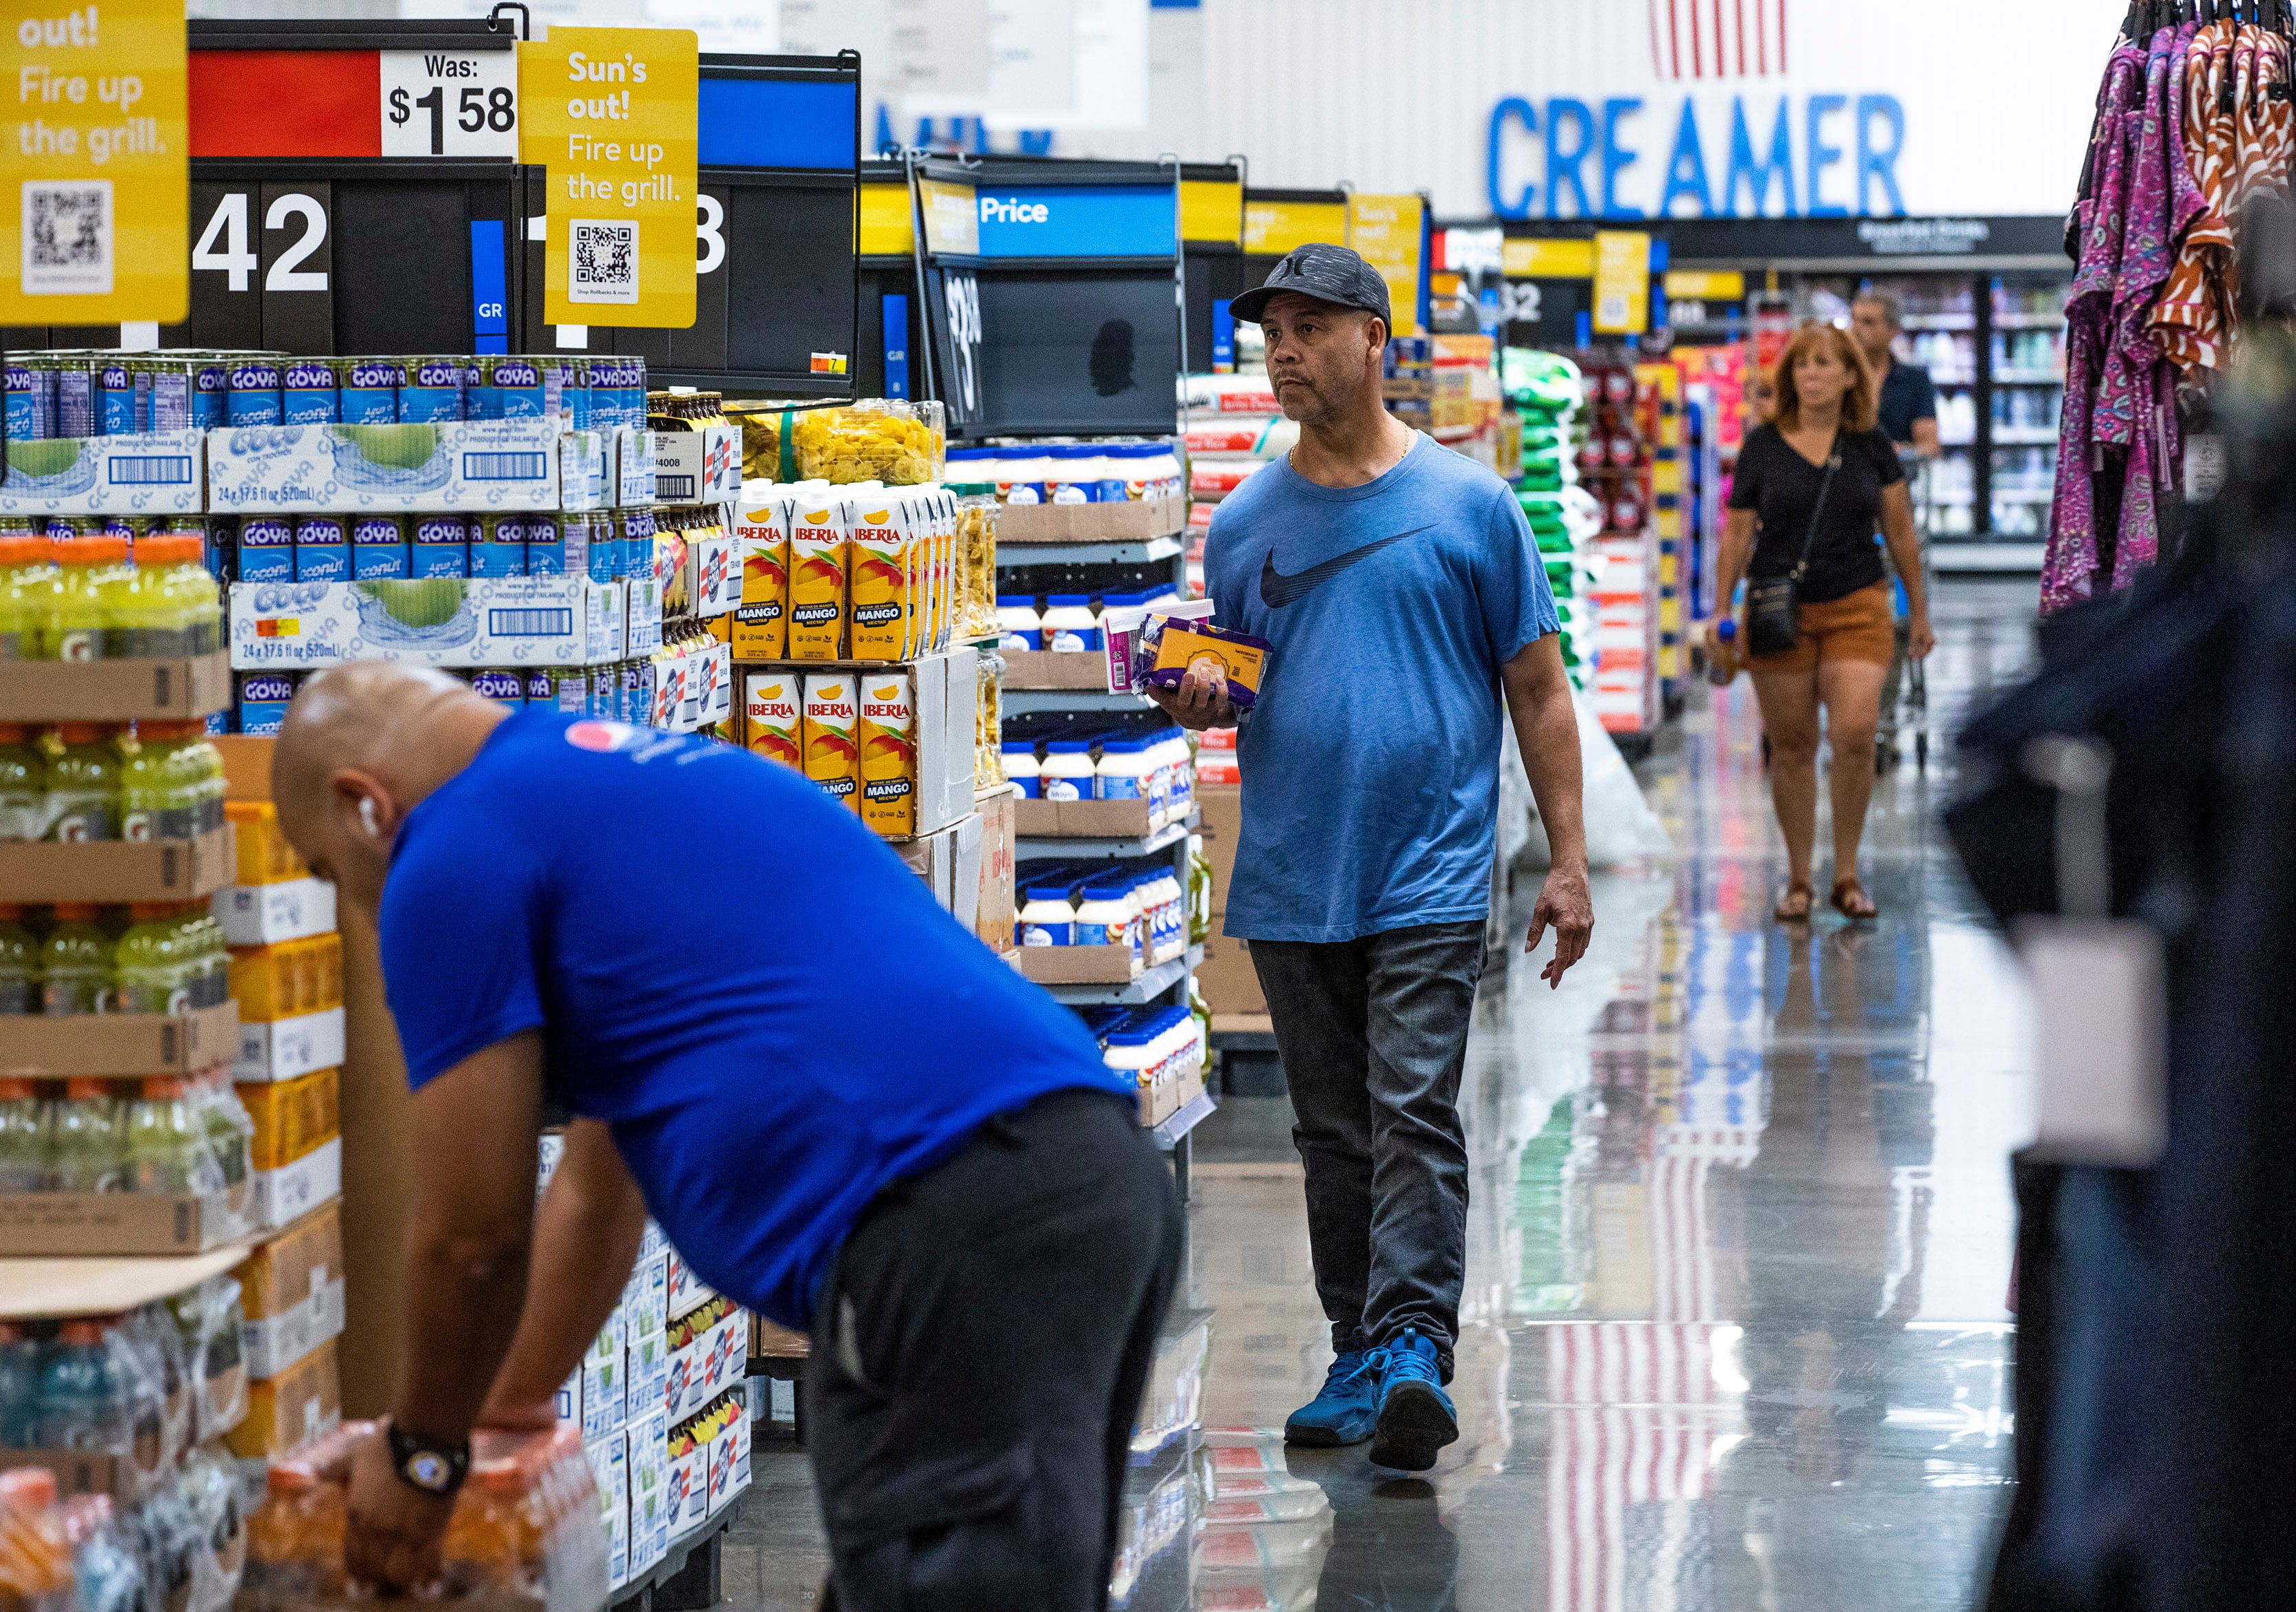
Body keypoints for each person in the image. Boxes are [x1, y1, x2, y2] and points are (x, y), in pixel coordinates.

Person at [272, 665, 1181, 1611]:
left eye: (333, 874)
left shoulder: (451, 846)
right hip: (1084, 1178)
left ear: (363, 806)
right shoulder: (625, 782)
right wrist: (502, 1413)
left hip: (952, 1224)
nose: (363, 907)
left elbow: (471, 1234)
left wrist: (420, 1455)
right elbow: (594, 1189)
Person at [1149, 243, 1594, 1475]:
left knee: (1412, 1111)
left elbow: (1541, 692)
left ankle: (1411, 1345)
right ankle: (1358, 1347)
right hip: (1296, 875)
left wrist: (1567, 860)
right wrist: (1200, 694)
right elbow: (1230, 683)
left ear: (1374, 340)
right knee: (1333, 1132)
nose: (1282, 349)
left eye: (1307, 326)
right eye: (1270, 331)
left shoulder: (1471, 506)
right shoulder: (1242, 526)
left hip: (1431, 868)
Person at [1706, 322, 1935, 924]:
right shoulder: (1762, 446)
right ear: (1790, 377)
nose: (1812, 373)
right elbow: (1736, 532)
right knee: (1792, 747)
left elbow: (1902, 531)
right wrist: (1719, 608)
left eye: (1826, 362)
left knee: (1856, 733)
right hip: (1778, 609)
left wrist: (1920, 610)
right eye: (1802, 364)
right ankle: (1801, 877)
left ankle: (1847, 874)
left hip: (1859, 603)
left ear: (1851, 374)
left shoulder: (1873, 445)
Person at [1850, 290, 1940, 457]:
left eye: (1868, 322)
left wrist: (1898, 453)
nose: (1856, 329)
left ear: (1893, 330)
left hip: (1898, 478)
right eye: (1853, 320)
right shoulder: (1838, 377)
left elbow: (1930, 446)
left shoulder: (1915, 382)